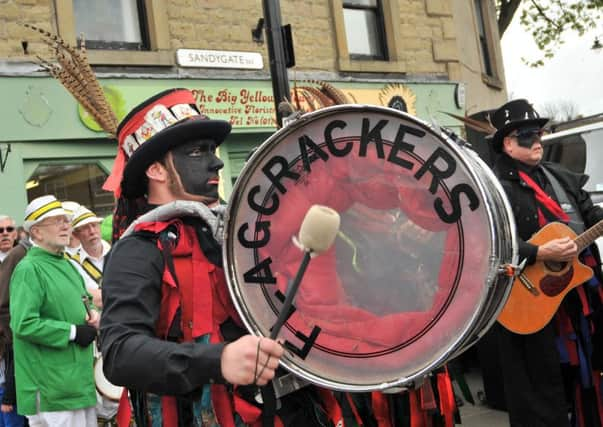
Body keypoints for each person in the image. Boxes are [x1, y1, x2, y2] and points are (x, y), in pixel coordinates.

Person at [100, 89, 292, 426]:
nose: (216, 161)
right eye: (197, 151)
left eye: (213, 151)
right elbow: (119, 354)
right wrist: (218, 360)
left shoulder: (240, 236)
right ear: (156, 170)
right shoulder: (138, 248)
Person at [489, 99, 603, 427]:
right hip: (528, 302)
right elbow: (489, 242)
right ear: (508, 144)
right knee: (538, 390)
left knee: (587, 375)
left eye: (539, 133)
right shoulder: (493, 189)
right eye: (527, 136)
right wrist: (539, 253)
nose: (538, 140)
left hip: (574, 294)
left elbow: (589, 214)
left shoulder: (560, 177)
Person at [9, 195, 100, 427]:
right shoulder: (29, 268)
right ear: (37, 232)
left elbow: (84, 299)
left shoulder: (67, 264)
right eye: (57, 221)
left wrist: (92, 314)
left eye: (66, 220)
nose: (66, 225)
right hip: (52, 388)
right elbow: (23, 323)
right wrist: (72, 332)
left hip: (76, 381)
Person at [0, 221, 27, 427]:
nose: (5, 234)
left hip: (22, 351)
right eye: (0, 231)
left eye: (9, 229)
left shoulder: (24, 257)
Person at [68, 205, 109, 309]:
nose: (92, 231)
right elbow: (89, 298)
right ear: (76, 235)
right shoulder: (73, 264)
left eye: (94, 225)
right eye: (85, 228)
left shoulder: (117, 251)